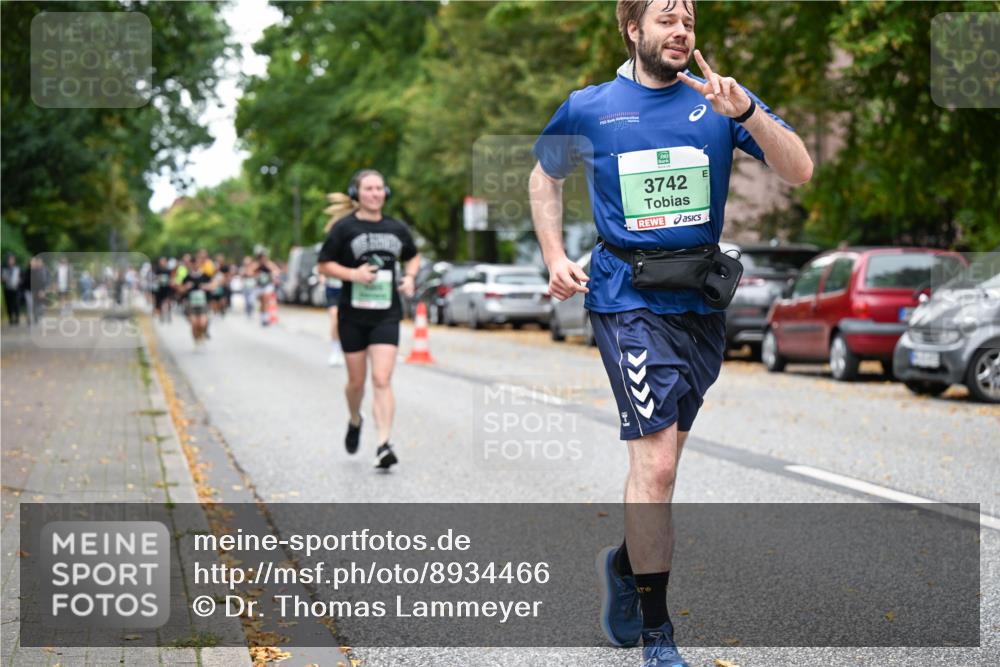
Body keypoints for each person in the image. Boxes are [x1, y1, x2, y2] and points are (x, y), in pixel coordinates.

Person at [529, 2, 813, 665]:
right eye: (666, 18)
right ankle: (658, 634)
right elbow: (545, 175)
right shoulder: (591, 106)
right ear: (634, 30)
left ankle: (627, 569)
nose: (681, 29)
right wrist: (552, 254)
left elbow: (798, 169)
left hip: (700, 305)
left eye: (687, 19)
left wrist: (746, 113)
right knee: (653, 463)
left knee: (661, 470)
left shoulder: (717, 100)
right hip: (626, 298)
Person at [317, 169, 420, 470]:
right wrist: (353, 274)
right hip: (353, 315)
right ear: (356, 193)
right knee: (356, 382)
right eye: (369, 188)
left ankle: (383, 444)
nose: (375, 193)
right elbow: (324, 265)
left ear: (385, 193)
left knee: (382, 379)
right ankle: (354, 418)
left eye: (379, 188)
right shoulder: (344, 228)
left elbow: (412, 255)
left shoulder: (397, 229)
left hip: (386, 314)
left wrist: (410, 277)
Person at [322, 192, 354, 366]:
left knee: (348, 321)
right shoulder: (336, 234)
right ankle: (335, 349)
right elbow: (324, 262)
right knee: (335, 317)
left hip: (352, 287)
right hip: (334, 287)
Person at [251, 250, 280, 326]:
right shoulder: (256, 265)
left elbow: (277, 271)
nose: (263, 259)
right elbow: (250, 272)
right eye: (262, 258)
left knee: (266, 299)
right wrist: (256, 273)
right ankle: (262, 317)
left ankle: (266, 318)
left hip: (268, 285)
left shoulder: (269, 264)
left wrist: (272, 272)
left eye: (265, 258)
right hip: (259, 286)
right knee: (262, 302)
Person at [2, 255, 22, 325]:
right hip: (7, 289)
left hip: (15, 289)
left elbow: (22, 278)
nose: (10, 261)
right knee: (9, 304)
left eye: (12, 260)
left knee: (16, 304)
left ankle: (17, 317)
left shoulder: (17, 269)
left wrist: (19, 281)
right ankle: (11, 319)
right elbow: (2, 279)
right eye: (9, 260)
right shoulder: (4, 269)